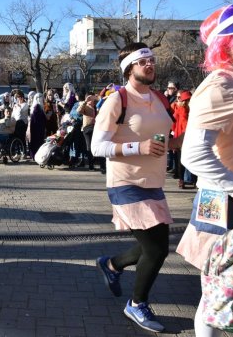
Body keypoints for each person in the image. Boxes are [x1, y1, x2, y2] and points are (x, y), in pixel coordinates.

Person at [175, 3, 233, 337]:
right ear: (225, 44)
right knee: (215, 299)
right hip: (223, 201)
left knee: (226, 294)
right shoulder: (218, 85)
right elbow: (192, 155)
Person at [91, 43, 175, 333]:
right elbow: (96, 147)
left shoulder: (161, 99)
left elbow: (167, 140)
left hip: (154, 183)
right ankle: (137, 304)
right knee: (157, 249)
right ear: (129, 68)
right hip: (125, 183)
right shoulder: (118, 100)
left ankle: (111, 264)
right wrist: (137, 146)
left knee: (150, 246)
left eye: (152, 60)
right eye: (143, 61)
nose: (150, 65)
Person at [171, 90, 193, 188]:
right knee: (182, 159)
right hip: (184, 136)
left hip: (182, 135)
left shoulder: (183, 109)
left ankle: (183, 179)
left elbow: (173, 122)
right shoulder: (183, 110)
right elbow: (177, 123)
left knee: (182, 159)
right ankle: (183, 179)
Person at [27, 93, 46, 159]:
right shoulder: (37, 107)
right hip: (37, 128)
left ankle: (34, 155)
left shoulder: (37, 106)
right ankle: (35, 155)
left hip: (37, 127)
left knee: (35, 141)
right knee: (37, 142)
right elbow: (37, 119)